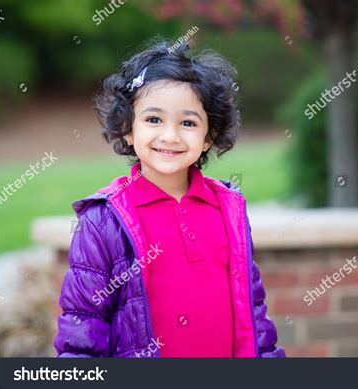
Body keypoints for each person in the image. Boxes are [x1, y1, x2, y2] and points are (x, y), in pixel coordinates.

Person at [54, 39, 285, 358]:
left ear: (209, 137)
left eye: (188, 123)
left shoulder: (228, 210)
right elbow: (83, 325)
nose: (170, 136)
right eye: (153, 120)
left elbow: (254, 310)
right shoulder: (103, 220)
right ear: (128, 130)